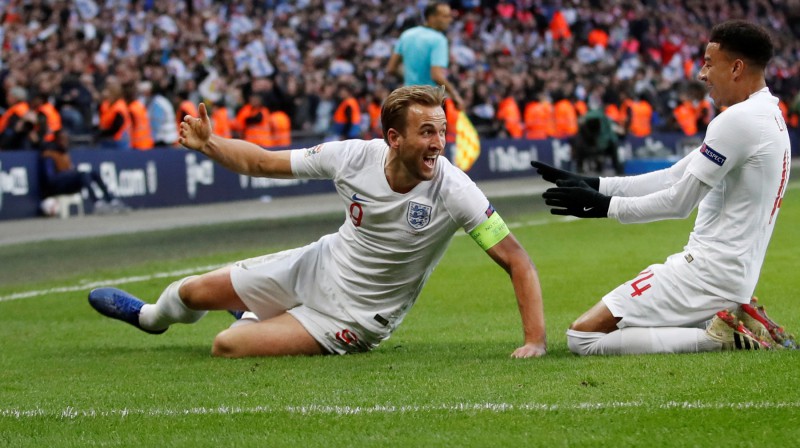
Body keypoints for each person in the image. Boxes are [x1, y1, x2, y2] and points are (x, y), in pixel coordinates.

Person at [87, 85, 546, 359]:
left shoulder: (454, 189)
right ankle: (148, 318)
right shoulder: (351, 157)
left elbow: (517, 260)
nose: (439, 143)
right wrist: (211, 144)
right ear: (393, 137)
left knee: (227, 345)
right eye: (427, 131)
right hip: (316, 265)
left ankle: (252, 315)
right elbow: (265, 163)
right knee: (189, 293)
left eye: (442, 131)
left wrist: (535, 341)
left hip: (354, 318)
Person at [533, 20, 794, 355]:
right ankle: (733, 316)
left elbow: (679, 201)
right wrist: (594, 184)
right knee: (632, 326)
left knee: (583, 337)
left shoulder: (737, 121)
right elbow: (673, 175)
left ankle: (716, 337)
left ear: (737, 67)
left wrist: (605, 206)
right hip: (733, 276)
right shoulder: (768, 116)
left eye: (709, 63)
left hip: (705, 274)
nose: (702, 74)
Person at [386, 2, 464, 110]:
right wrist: (455, 95)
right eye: (445, 16)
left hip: (408, 101)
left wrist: (411, 80)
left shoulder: (407, 34)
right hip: (428, 103)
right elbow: (436, 76)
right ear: (431, 17)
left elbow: (391, 68)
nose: (449, 20)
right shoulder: (439, 39)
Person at [40, 129, 130, 214]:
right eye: (62, 139)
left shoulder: (64, 154)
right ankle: (97, 204)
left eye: (66, 139)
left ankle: (112, 200)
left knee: (93, 173)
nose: (65, 142)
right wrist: (70, 174)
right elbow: (50, 179)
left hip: (67, 183)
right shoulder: (49, 155)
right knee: (82, 175)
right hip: (56, 187)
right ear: (56, 140)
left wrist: (71, 173)